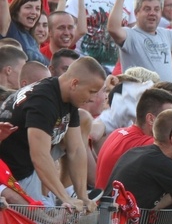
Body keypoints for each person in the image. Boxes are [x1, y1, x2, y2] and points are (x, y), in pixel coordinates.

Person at [0, 56, 106, 207]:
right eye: (92, 91)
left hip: (28, 161)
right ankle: (59, 197)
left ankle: (68, 193)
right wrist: (65, 199)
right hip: (15, 172)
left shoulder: (67, 97)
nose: (92, 98)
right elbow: (39, 156)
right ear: (75, 83)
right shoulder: (43, 101)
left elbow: (75, 149)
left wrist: (83, 197)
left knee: (82, 121)